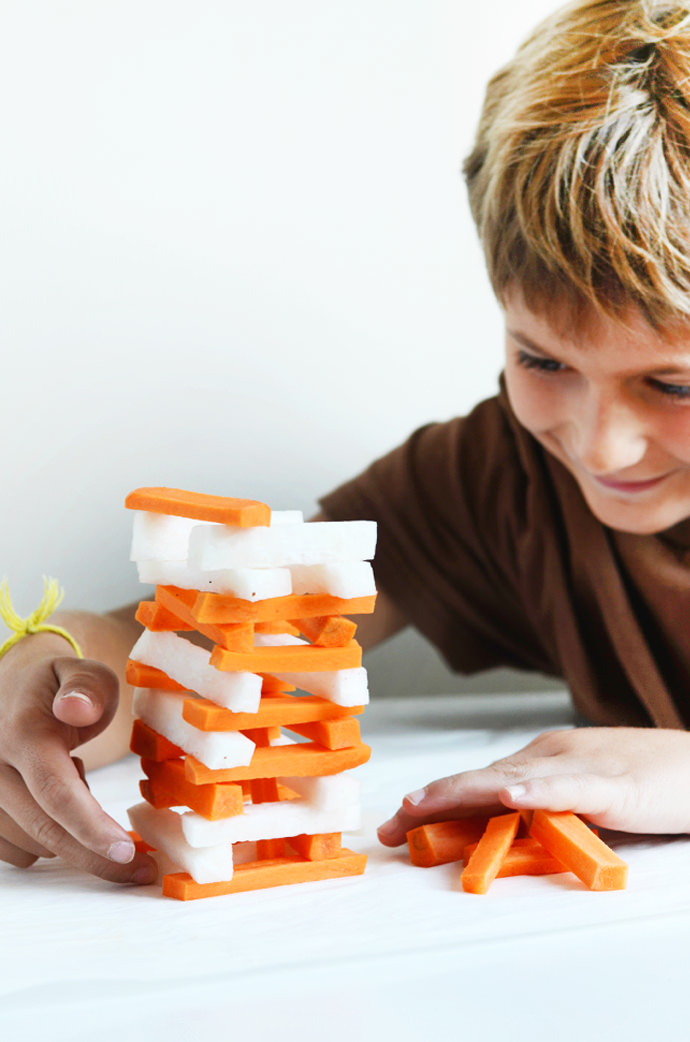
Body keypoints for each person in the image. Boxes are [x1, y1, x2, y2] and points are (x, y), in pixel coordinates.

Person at [4, 0, 690, 886]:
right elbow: (227, 645)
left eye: (673, 384)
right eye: (542, 358)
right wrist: (55, 682)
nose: (603, 448)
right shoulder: (494, 476)